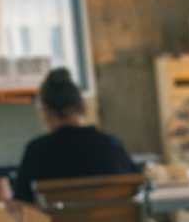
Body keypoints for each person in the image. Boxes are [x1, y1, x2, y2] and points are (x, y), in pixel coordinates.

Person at [11, 68, 138, 204]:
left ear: (45, 111)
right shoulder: (111, 145)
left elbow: (21, 204)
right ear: (83, 106)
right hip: (111, 218)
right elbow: (135, 189)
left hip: (56, 219)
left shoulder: (35, 152)